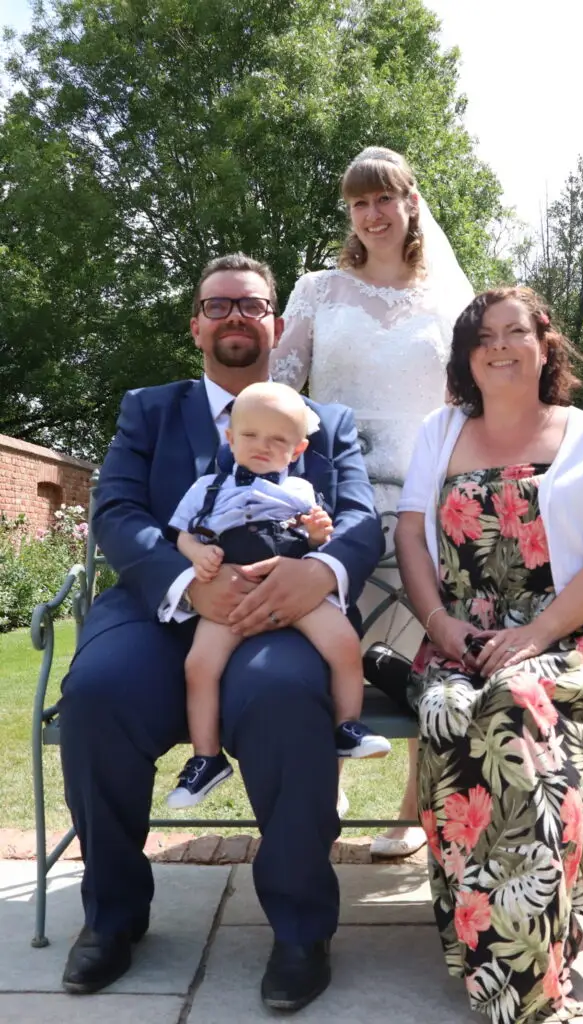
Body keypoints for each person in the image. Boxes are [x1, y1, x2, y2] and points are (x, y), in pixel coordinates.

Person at [58, 253, 384, 1013]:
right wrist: (186, 584)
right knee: (98, 694)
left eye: (253, 305)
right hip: (160, 612)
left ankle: (301, 929)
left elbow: (362, 517)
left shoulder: (325, 422)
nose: (236, 317)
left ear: (277, 323)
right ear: (197, 323)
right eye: (219, 305)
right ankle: (112, 918)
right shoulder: (149, 408)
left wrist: (322, 572)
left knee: (281, 696)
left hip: (281, 613)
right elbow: (117, 513)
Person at [395, 287, 583, 1023]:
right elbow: (410, 537)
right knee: (446, 711)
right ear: (468, 358)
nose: (499, 346)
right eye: (483, 337)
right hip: (460, 639)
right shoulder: (440, 432)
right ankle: (485, 934)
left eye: (515, 332)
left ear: (545, 345)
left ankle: (525, 982)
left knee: (516, 707)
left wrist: (535, 636)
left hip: (563, 638)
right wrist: (440, 626)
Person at [271, 145, 473, 856]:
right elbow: (279, 382)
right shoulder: (317, 290)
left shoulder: (451, 302)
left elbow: (467, 401)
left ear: (412, 202)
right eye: (359, 203)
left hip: (428, 491)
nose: (372, 214)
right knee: (330, 636)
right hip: (336, 491)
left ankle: (413, 805)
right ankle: (328, 777)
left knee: (426, 646)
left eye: (384, 199)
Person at [165, 381, 391, 808]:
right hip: (228, 593)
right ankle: (206, 758)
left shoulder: (302, 491)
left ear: (298, 449)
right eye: (250, 435)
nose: (262, 447)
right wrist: (198, 554)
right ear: (230, 439)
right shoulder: (206, 488)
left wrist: (318, 533)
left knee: (343, 643)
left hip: (292, 591)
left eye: (278, 440)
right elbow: (180, 532)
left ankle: (348, 726)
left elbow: (316, 538)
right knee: (199, 665)